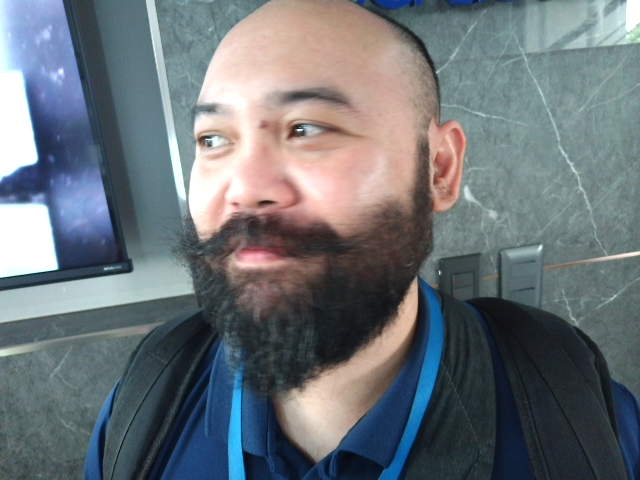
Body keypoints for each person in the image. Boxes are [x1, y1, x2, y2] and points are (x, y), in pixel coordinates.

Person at [85, 0, 640, 478]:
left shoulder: (572, 414)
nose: (245, 189)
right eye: (212, 139)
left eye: (306, 129)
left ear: (439, 169)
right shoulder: (147, 405)